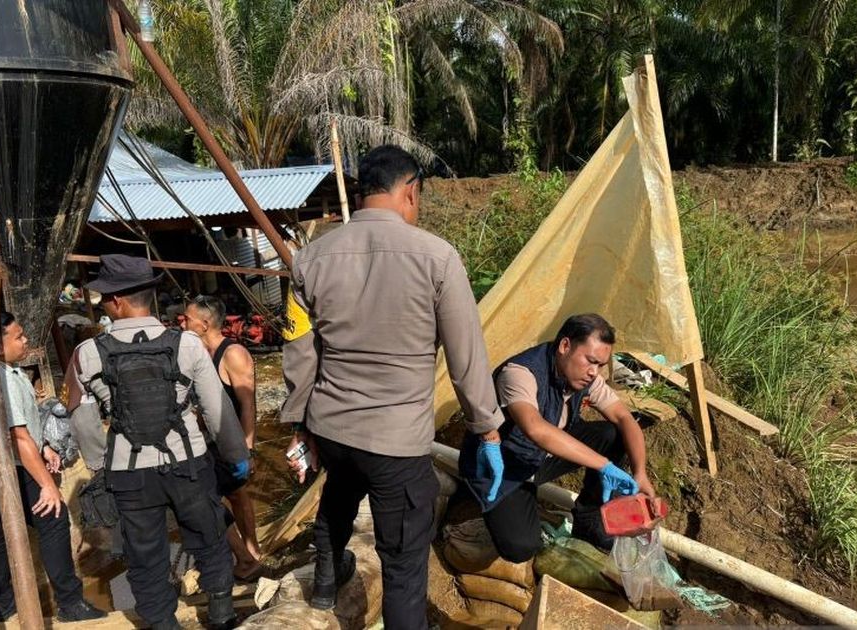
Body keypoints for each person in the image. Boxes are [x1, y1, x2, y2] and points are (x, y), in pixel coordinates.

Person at [280, 145, 504, 629]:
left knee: (340, 488)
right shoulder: (437, 258)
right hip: (396, 443)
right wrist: (487, 428)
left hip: (333, 430)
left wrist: (301, 425)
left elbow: (299, 350)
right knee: (403, 568)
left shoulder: (309, 260)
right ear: (410, 191)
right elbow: (466, 359)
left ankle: (324, 582)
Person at [65, 255, 250, 630]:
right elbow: (217, 412)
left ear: (117, 301)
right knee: (209, 535)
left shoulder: (87, 353)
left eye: (104, 297)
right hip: (188, 463)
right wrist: (235, 455)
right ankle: (221, 612)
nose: (102, 303)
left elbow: (81, 415)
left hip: (129, 473)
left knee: (144, 553)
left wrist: (100, 464)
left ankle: (163, 623)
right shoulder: (187, 345)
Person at [458, 313, 657, 562]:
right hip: (505, 469)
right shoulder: (521, 373)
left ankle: (590, 522)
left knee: (613, 433)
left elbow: (624, 419)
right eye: (590, 361)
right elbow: (535, 429)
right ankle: (474, 501)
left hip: (542, 458)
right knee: (520, 546)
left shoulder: (584, 376)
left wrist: (640, 472)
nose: (594, 372)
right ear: (565, 346)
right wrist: (603, 465)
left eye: (600, 366)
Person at [0, 311, 107, 623]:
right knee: (53, 517)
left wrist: (45, 447)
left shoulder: (0, 371)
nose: (25, 341)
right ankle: (70, 603)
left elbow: (25, 432)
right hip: (4, 469)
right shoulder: (0, 376)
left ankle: (3, 604)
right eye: (18, 337)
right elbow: (18, 436)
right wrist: (48, 485)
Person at [181, 295, 262, 581]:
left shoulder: (233, 354)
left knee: (219, 499)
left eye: (186, 319)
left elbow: (248, 403)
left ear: (203, 324)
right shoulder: (197, 353)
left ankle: (248, 553)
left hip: (230, 442)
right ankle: (248, 553)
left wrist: (246, 447)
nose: (182, 323)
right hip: (209, 441)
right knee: (229, 497)